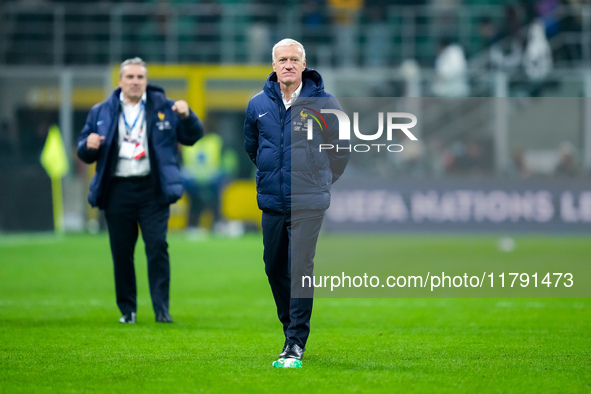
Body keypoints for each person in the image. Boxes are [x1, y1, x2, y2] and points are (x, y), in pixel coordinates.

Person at [243, 38, 350, 363]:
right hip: (273, 200)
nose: (288, 64)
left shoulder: (326, 102)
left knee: (300, 267)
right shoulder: (257, 105)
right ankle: (291, 327)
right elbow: (253, 147)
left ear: (304, 65)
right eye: (282, 60)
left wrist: (320, 179)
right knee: (274, 266)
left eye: (294, 59)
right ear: (273, 66)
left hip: (309, 202)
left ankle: (295, 342)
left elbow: (342, 150)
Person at [77, 57, 204, 324]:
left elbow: (193, 136)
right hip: (118, 189)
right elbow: (85, 149)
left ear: (146, 81)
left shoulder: (166, 107)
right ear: (120, 80)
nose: (135, 82)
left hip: (152, 189)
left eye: (140, 78)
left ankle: (161, 310)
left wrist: (187, 115)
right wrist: (87, 145)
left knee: (157, 247)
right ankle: (128, 310)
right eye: (130, 77)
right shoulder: (101, 111)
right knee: (121, 251)